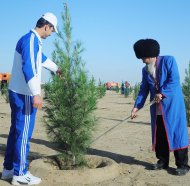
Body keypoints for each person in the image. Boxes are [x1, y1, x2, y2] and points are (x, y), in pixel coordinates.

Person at [1, 12, 61, 185]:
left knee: (16, 131)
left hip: (16, 91)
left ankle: (8, 169)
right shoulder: (31, 40)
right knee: (24, 134)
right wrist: (36, 93)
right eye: (51, 31)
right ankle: (20, 174)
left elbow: (40, 59)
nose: (51, 34)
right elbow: (29, 67)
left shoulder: (27, 39)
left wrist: (56, 68)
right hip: (25, 94)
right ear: (46, 26)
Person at [131, 38, 189, 176]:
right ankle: (162, 161)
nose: (142, 61)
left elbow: (174, 80)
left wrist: (162, 93)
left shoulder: (169, 60)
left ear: (151, 55)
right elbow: (144, 89)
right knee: (160, 134)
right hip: (156, 108)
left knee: (176, 133)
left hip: (172, 105)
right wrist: (136, 107)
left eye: (143, 57)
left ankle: (183, 165)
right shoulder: (145, 70)